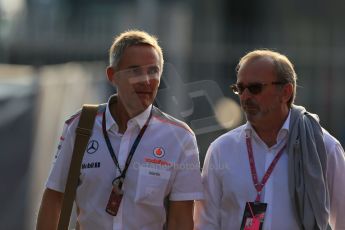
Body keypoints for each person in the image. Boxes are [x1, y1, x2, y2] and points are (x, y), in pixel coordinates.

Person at [36, 30, 204, 230]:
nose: (146, 80)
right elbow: (54, 198)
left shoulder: (180, 138)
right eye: (135, 70)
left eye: (153, 71)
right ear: (112, 75)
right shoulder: (80, 126)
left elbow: (181, 220)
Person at [194, 49, 345, 230]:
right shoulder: (221, 149)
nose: (246, 96)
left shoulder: (324, 147)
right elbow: (205, 223)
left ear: (286, 92)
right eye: (240, 89)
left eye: (255, 88)